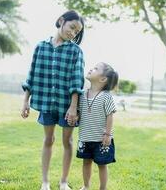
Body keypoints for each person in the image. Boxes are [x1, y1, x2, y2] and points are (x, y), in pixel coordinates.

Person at [21, 10, 85, 190]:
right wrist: (25, 101)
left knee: (68, 142)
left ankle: (63, 182)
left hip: (67, 106)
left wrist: (73, 107)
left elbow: (76, 80)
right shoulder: (40, 47)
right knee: (48, 140)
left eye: (76, 32)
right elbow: (31, 76)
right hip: (46, 103)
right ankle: (45, 182)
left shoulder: (75, 51)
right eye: (72, 27)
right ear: (61, 21)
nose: (73, 33)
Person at [75, 62, 118, 190]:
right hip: (85, 137)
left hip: (101, 139)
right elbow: (79, 111)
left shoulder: (106, 97)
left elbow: (110, 115)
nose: (91, 69)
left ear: (103, 79)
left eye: (95, 69)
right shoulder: (82, 94)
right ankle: (86, 186)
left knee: (102, 165)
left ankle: (102, 188)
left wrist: (108, 134)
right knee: (86, 162)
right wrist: (76, 116)